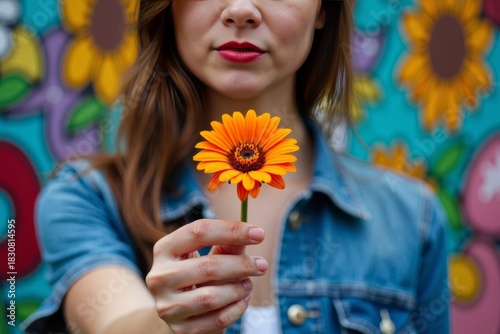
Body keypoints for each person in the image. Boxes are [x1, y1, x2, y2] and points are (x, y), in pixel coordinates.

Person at [23, 0, 450, 333]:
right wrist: (171, 325)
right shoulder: (86, 199)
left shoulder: (412, 220)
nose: (241, 10)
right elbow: (115, 324)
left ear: (323, 9)